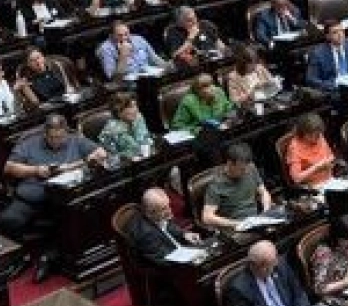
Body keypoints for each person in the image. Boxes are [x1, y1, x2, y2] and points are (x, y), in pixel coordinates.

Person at [0, 114, 106, 281]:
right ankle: (21, 258)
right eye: (52, 137)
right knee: (8, 220)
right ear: (45, 134)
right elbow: (8, 167)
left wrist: (82, 163)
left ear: (66, 132)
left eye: (60, 137)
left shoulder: (76, 140)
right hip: (32, 195)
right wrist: (35, 170)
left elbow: (101, 153)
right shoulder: (28, 143)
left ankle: (49, 257)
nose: (56, 141)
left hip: (63, 200)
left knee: (76, 219)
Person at [224, 240, 311, 306]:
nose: (272, 268)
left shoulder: (281, 265)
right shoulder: (238, 287)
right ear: (253, 265)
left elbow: (298, 293)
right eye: (266, 266)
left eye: (273, 263)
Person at [201, 142, 272, 230]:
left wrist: (266, 212)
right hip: (236, 226)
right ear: (230, 164)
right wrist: (236, 224)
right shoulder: (216, 185)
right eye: (242, 169)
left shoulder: (251, 168)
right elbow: (207, 217)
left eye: (247, 167)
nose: (246, 171)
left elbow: (263, 192)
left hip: (255, 220)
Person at [126, 187, 203, 265]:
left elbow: (170, 227)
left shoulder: (159, 216)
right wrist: (190, 258)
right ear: (150, 213)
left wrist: (184, 234)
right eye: (164, 209)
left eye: (168, 205)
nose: (170, 211)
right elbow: (164, 261)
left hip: (179, 252)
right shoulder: (146, 234)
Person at [310, 214, 348, 296]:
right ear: (338, 238)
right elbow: (319, 289)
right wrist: (346, 281)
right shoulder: (324, 253)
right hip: (338, 295)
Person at [305, 21, 348, 91]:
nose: (340, 35)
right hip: (333, 90)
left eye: (341, 31)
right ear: (328, 36)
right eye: (335, 32)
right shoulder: (318, 54)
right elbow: (311, 79)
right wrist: (332, 85)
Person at [96, 21, 167, 81]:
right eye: (119, 35)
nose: (124, 38)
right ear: (111, 36)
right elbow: (115, 79)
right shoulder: (105, 49)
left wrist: (168, 67)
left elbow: (155, 59)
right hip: (128, 81)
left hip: (149, 73)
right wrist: (123, 56)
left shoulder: (138, 39)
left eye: (126, 34)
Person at [285, 113, 335, 187]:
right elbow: (296, 178)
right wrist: (316, 167)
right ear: (304, 133)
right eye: (313, 135)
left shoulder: (319, 137)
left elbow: (331, 156)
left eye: (318, 134)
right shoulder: (294, 147)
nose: (317, 138)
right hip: (312, 186)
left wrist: (329, 162)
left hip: (329, 180)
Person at [99, 93, 153, 159]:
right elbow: (112, 157)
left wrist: (147, 149)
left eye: (135, 105)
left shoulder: (138, 118)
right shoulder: (111, 131)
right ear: (118, 111)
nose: (136, 109)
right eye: (131, 107)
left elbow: (146, 138)